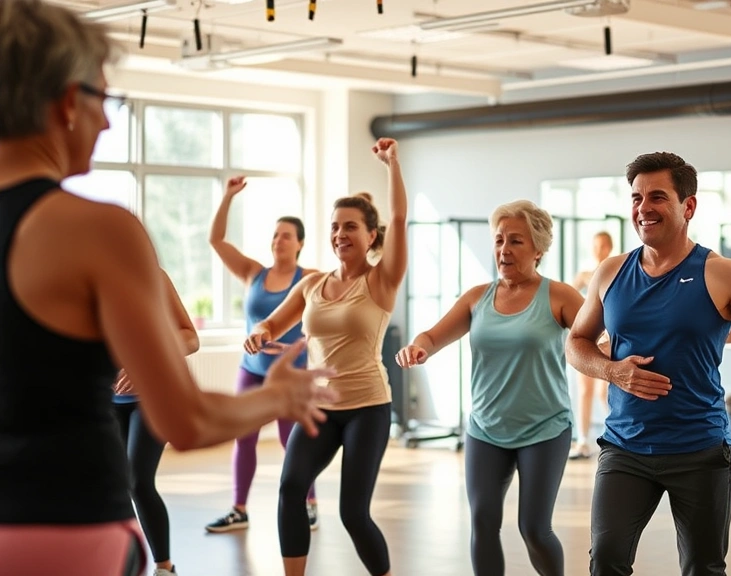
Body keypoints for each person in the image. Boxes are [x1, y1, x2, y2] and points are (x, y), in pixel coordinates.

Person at [0, 2, 333, 574]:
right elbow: (187, 421)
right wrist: (280, 396)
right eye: (103, 100)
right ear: (62, 102)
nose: (107, 122)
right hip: (68, 533)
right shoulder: (98, 230)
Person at [565, 152, 731, 576]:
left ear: (687, 206)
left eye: (657, 196)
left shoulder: (722, 273)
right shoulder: (611, 272)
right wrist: (613, 371)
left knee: (703, 568)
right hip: (625, 447)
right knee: (606, 561)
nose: (643, 208)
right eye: (636, 197)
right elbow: (577, 343)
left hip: (700, 449)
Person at [244, 138, 407, 576]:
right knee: (290, 488)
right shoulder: (311, 284)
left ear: (371, 235)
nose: (340, 234)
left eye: (351, 226)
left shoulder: (381, 281)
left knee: (353, 513)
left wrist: (392, 165)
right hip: (319, 406)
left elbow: (398, 216)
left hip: (367, 407)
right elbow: (272, 324)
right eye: (335, 227)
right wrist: (259, 334)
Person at [396, 200, 582, 576]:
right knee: (483, 522)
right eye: (499, 240)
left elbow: (597, 339)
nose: (504, 249)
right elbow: (432, 336)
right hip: (486, 429)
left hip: (544, 429)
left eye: (516, 241)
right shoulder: (476, 298)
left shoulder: (560, 297)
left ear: (538, 250)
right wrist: (419, 347)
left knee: (533, 527)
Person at [206, 176, 319, 534]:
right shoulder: (254, 272)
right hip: (252, 370)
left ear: (300, 243)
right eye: (274, 234)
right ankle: (239, 509)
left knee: (292, 441)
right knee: (245, 436)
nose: (278, 240)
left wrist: (300, 345)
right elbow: (217, 241)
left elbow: (325, 322)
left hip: (289, 375)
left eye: (286, 235)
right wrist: (227, 197)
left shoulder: (311, 277)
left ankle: (310, 503)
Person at [113, 270, 201, 576]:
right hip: (105, 403)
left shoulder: (152, 277)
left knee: (137, 479)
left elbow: (190, 337)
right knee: (113, 486)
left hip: (153, 398)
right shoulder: (80, 282)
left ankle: (164, 567)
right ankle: (123, 562)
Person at [569, 231, 614, 460]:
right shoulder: (586, 276)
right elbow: (569, 297)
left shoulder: (615, 272)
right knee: (585, 389)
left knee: (603, 391)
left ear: (609, 247)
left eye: (603, 245)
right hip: (590, 337)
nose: (599, 250)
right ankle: (583, 440)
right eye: (596, 245)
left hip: (609, 338)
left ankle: (618, 431)